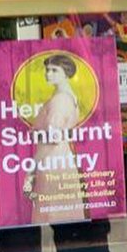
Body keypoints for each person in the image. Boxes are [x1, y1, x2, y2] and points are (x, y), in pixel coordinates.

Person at [23, 54, 86, 225]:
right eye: (47, 69)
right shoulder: (67, 96)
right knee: (61, 213)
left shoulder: (60, 100)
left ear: (65, 73)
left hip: (51, 161)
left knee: (53, 214)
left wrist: (31, 170)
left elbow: (51, 139)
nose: (48, 74)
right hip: (61, 158)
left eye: (54, 70)